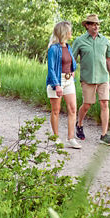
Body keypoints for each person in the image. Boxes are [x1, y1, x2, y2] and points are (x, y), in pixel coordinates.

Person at [71, 14, 110, 146]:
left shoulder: (105, 41)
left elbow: (109, 60)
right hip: (87, 78)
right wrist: (70, 75)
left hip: (103, 78)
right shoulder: (79, 41)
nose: (96, 26)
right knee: (87, 104)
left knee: (104, 104)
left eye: (97, 24)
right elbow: (73, 60)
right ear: (87, 25)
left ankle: (104, 135)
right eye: (93, 24)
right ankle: (79, 124)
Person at [45, 21, 81, 149]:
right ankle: (56, 138)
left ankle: (71, 138)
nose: (71, 32)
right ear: (64, 32)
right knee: (56, 110)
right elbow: (51, 69)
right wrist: (57, 85)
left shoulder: (68, 47)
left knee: (72, 109)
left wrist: (72, 70)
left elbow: (70, 62)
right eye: (69, 30)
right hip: (57, 81)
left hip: (69, 80)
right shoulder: (53, 48)